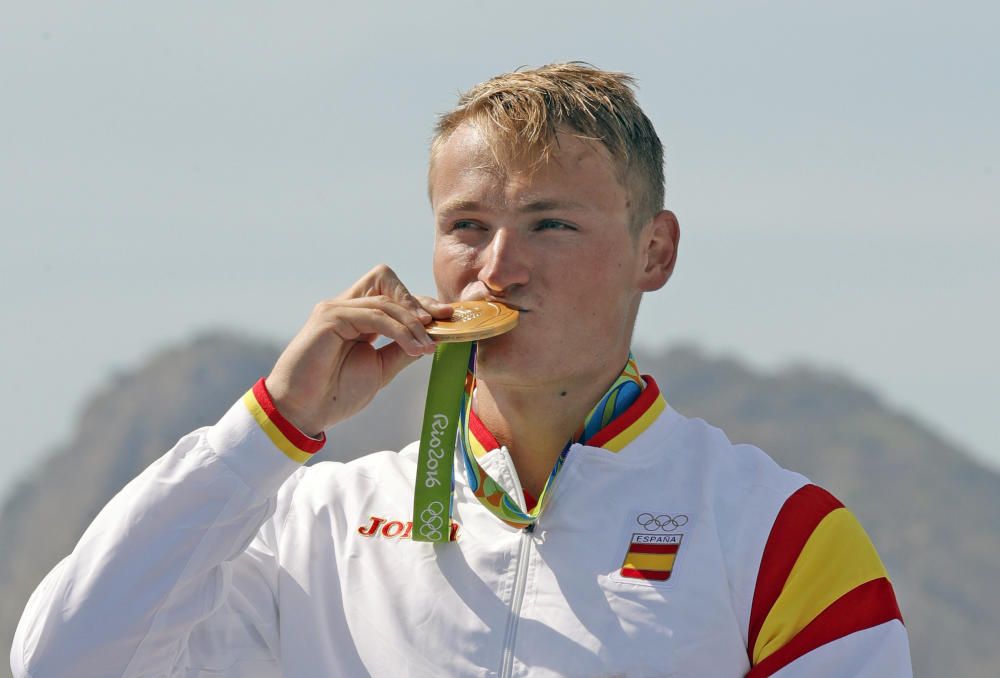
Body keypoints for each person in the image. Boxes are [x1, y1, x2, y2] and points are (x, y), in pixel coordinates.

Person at [11, 63, 911, 677]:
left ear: (655, 251)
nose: (497, 268)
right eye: (467, 226)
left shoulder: (781, 535)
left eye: (551, 225)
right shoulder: (313, 526)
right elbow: (62, 660)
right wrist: (270, 428)